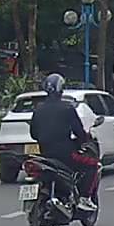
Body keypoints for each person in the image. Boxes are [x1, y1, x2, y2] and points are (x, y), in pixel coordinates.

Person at [29, 73, 99, 211]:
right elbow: (79, 132)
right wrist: (83, 142)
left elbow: (34, 134)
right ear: (61, 89)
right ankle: (84, 198)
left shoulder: (38, 109)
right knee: (93, 165)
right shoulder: (67, 108)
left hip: (45, 154)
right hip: (65, 155)